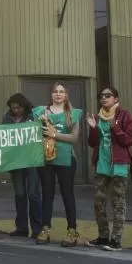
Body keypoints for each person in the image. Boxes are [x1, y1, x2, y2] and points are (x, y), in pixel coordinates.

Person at [33, 82, 83, 247]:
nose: (58, 94)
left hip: (66, 158)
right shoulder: (41, 112)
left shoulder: (73, 114)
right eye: (55, 91)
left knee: (67, 194)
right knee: (47, 193)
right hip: (46, 157)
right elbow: (32, 132)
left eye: (61, 92)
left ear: (66, 95)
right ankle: (45, 228)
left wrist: (55, 134)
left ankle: (72, 230)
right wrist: (40, 123)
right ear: (51, 94)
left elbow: (74, 138)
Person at [86, 87, 132, 252]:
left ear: (116, 98)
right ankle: (103, 236)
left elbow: (128, 140)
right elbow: (92, 143)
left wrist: (115, 127)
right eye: (101, 96)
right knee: (98, 202)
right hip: (102, 164)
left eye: (108, 96)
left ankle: (116, 240)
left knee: (118, 203)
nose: (104, 98)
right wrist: (93, 128)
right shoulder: (98, 116)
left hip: (119, 165)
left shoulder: (124, 115)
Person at [3, 94, 42, 239]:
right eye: (13, 108)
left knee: (34, 194)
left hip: (31, 159)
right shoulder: (7, 117)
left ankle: (37, 228)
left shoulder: (33, 116)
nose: (15, 110)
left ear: (24, 106)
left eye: (18, 107)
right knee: (19, 194)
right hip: (16, 161)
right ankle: (22, 227)